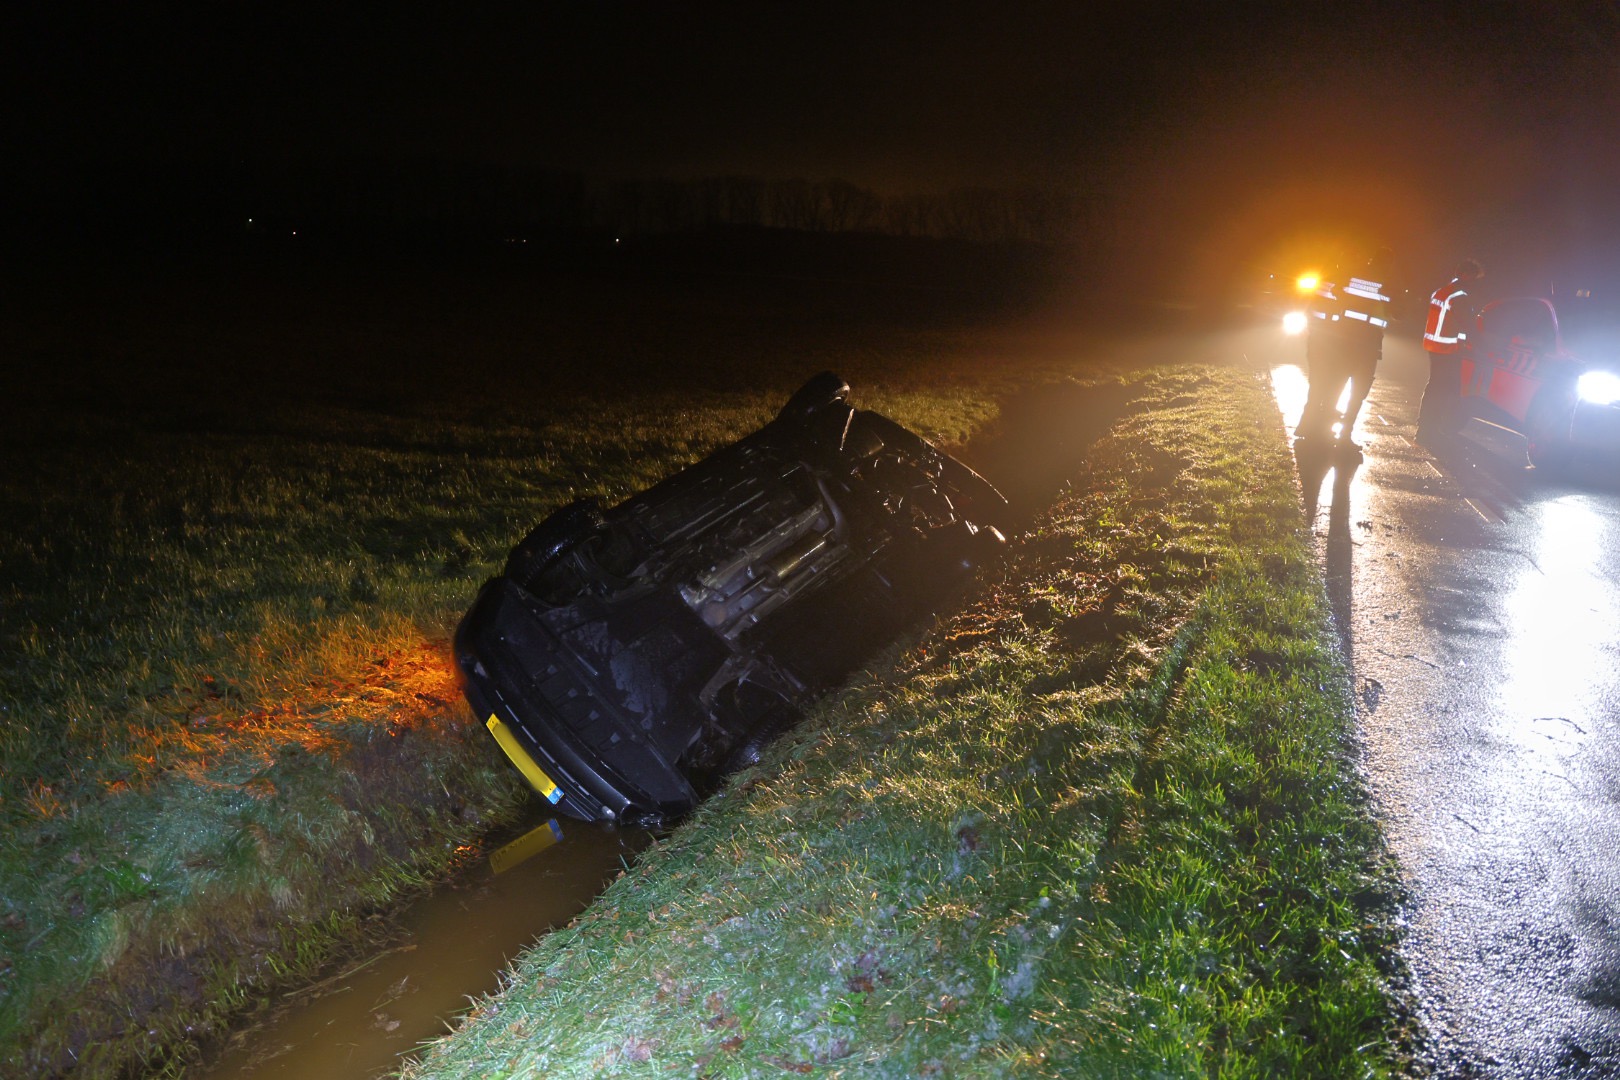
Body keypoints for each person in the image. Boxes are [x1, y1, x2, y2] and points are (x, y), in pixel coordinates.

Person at [1296, 248, 1395, 455]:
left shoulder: (1340, 279)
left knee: (1325, 387)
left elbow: (1316, 307)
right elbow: (1400, 312)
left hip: (1334, 343)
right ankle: (1337, 434)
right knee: (1353, 392)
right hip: (1363, 346)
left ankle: (1314, 429)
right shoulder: (1382, 283)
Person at [1415, 258, 1484, 445]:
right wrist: (1481, 343)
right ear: (1464, 275)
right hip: (1447, 349)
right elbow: (1467, 324)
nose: (1475, 281)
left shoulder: (1441, 291)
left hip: (1434, 346)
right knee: (1446, 390)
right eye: (1474, 277)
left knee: (1435, 388)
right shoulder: (1459, 296)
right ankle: (1432, 430)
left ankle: (1425, 427)